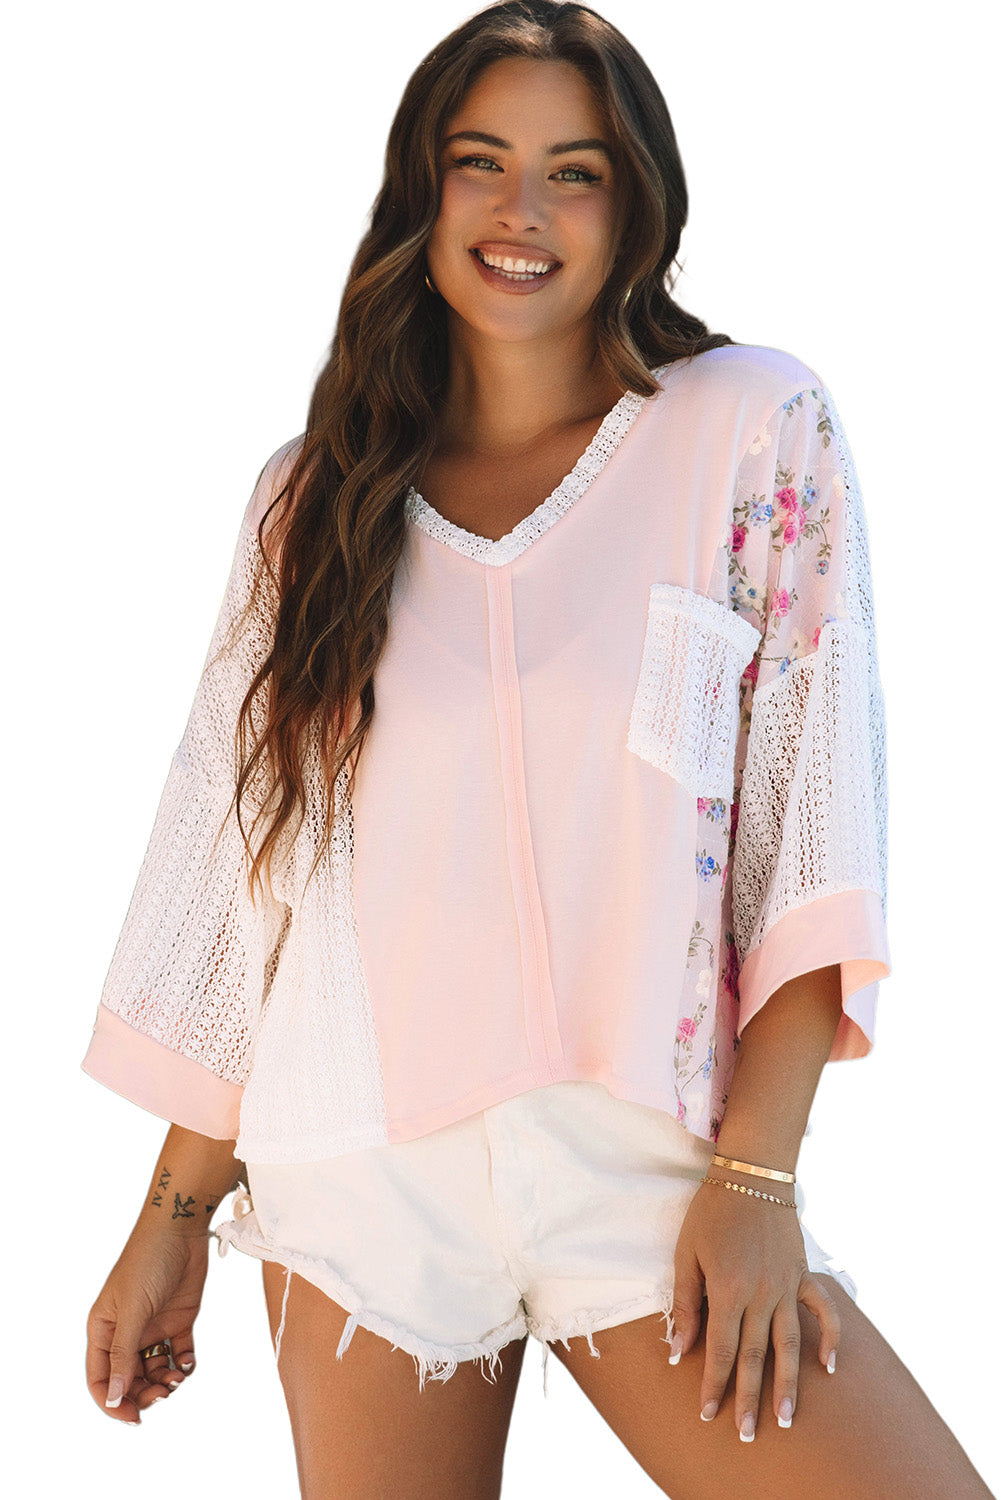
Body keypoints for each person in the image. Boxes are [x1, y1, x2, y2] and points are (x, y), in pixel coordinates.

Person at [81, 3, 993, 1496]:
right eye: (480, 161)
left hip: (650, 1167)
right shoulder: (310, 505)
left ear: (635, 208)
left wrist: (757, 1177)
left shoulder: (748, 427)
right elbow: (247, 882)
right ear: (422, 190)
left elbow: (811, 844)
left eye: (574, 172)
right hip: (359, 1173)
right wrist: (172, 1220)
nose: (522, 209)